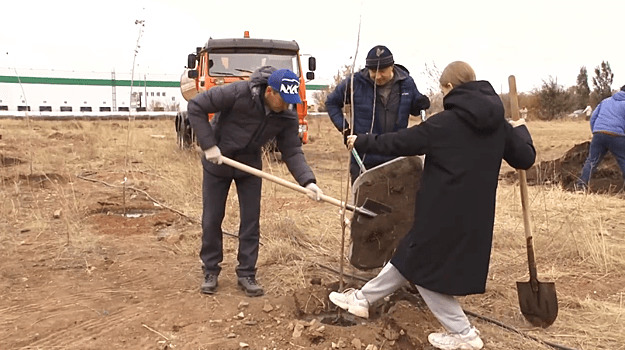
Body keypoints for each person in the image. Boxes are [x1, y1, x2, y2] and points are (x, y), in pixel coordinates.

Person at [329, 61, 536, 350]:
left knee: (423, 271)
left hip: (441, 212)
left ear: (450, 87)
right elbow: (525, 158)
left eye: (442, 88)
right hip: (475, 216)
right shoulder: (498, 125)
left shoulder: (444, 124)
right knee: (408, 256)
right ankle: (362, 299)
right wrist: (521, 130)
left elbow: (401, 142)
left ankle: (464, 334)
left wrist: (362, 141)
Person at [187, 67, 323, 297]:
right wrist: (209, 145)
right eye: (283, 99)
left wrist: (307, 181)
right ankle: (210, 270)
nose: (288, 105)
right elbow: (196, 106)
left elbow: (291, 150)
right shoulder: (238, 92)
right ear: (270, 91)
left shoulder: (287, 113)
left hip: (249, 167)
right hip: (218, 162)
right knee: (212, 218)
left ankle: (247, 273)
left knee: (250, 221)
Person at [325, 45, 430, 183]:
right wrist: (345, 129)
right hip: (364, 157)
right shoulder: (355, 83)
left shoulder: (406, 83)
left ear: (392, 67)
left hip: (397, 157)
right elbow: (331, 102)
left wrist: (420, 103)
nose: (377, 76)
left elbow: (414, 108)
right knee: (365, 202)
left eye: (382, 71)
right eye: (373, 71)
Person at [576, 85, 625, 191]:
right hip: (617, 135)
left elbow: (593, 117)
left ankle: (581, 185)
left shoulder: (605, 101)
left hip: (599, 133)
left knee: (592, 161)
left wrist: (596, 131)